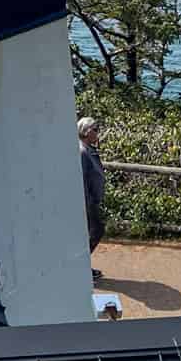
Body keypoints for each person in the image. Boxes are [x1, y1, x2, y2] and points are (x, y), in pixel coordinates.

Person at [79, 116, 106, 283]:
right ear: (86, 132)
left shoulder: (88, 149)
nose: (97, 133)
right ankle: (80, 267)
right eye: (95, 130)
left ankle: (81, 267)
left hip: (91, 200)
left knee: (89, 233)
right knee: (96, 230)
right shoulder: (82, 151)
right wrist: (88, 203)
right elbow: (81, 180)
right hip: (87, 202)